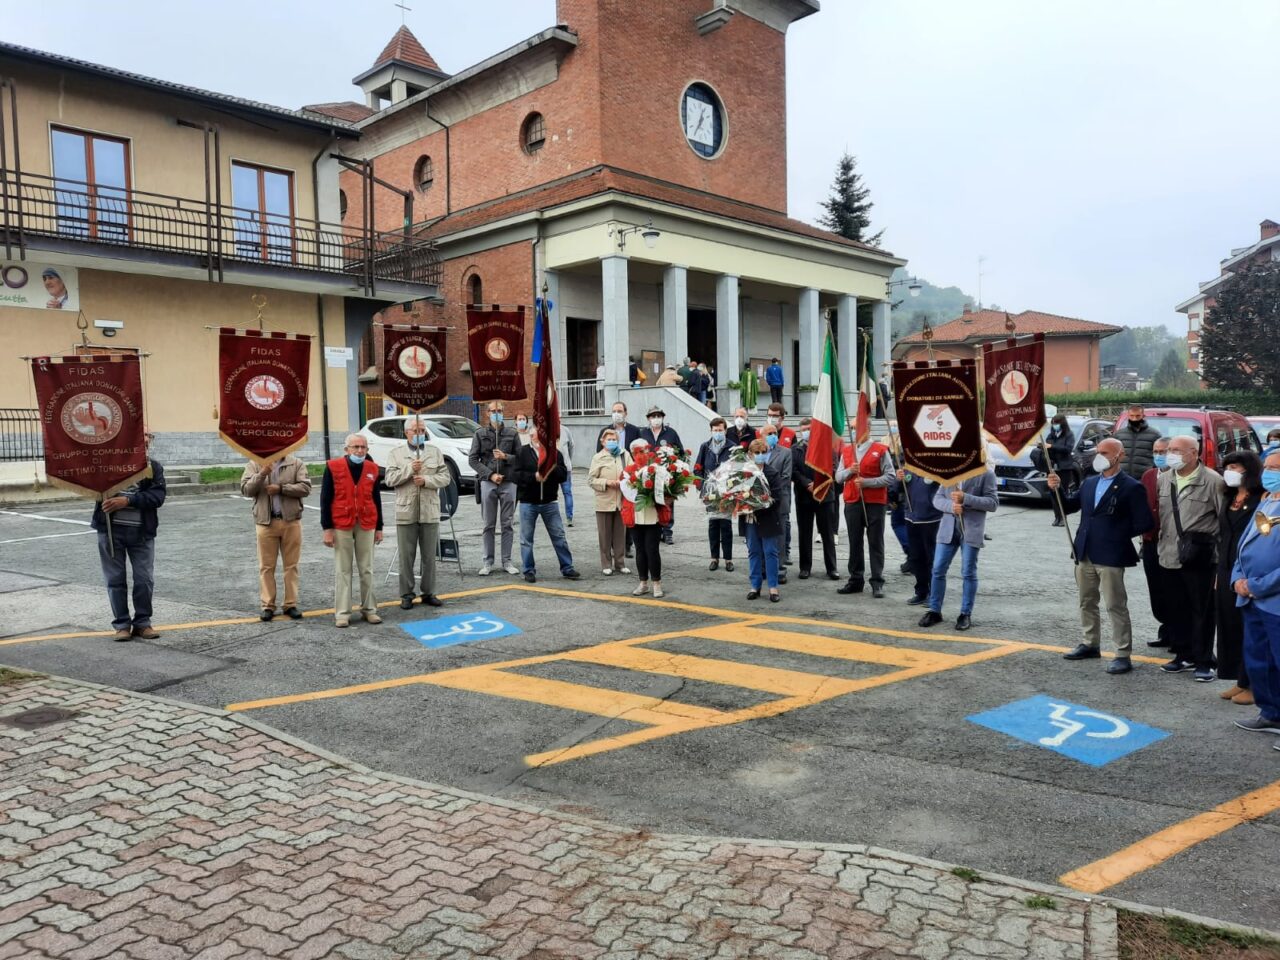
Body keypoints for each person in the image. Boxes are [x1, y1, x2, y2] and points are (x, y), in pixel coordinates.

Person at [1055, 439, 1155, 674]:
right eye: (1097, 452)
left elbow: (1144, 522)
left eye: (1105, 452)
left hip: (1110, 555)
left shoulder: (1131, 486)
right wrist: (1056, 488)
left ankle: (1122, 653)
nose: (1099, 456)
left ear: (1119, 455)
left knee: (1115, 605)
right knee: (1086, 601)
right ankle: (1090, 643)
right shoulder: (1089, 483)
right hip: (1085, 551)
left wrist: (1116, 534)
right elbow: (1067, 507)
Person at [1156, 434, 1227, 680]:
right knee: (1176, 609)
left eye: (1177, 450)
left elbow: (1224, 521)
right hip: (1168, 555)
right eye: (1170, 449)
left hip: (1200, 558)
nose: (1170, 453)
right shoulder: (1165, 478)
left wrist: (1221, 561)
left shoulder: (1213, 481)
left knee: (1203, 611)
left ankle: (1204, 660)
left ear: (1194, 453)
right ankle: (1182, 654)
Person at [93, 431, 166, 641]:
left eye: (148, 439)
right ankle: (122, 625)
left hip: (142, 532)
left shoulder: (154, 468)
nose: (145, 442)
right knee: (115, 580)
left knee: (144, 579)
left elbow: (158, 496)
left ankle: (143, 623)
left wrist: (128, 501)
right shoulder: (106, 464)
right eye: (140, 437)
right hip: (110, 530)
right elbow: (92, 487)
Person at [1229, 450, 1280, 745]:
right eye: (1268, 467)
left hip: (1271, 598)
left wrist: (1257, 585)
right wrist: (1238, 579)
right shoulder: (1268, 500)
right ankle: (1271, 713)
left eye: (1276, 468)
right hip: (1252, 598)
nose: (1269, 473)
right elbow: (1243, 545)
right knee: (1259, 660)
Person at [917, 470, 998, 631]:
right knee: (938, 569)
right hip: (947, 530)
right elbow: (937, 499)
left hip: (971, 530)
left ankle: (965, 613)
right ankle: (935, 610)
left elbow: (992, 503)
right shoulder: (949, 472)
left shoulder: (986, 474)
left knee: (968, 572)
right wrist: (951, 506)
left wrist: (966, 499)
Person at [384, 419, 451, 610]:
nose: (419, 433)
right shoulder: (396, 454)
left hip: (429, 510)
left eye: (422, 430)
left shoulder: (434, 452)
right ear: (406, 433)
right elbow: (389, 479)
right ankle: (406, 594)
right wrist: (408, 469)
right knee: (406, 556)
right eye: (415, 430)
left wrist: (428, 480)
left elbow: (445, 477)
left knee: (429, 556)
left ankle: (428, 592)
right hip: (406, 510)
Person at [1215, 451, 1264, 704]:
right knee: (1229, 625)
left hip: (1248, 569)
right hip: (1225, 568)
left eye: (1235, 466)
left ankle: (1255, 684)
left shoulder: (1261, 499)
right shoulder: (1230, 496)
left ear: (1250, 470)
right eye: (1227, 466)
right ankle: (1239, 679)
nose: (1229, 471)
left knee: (1250, 629)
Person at [321, 434, 384, 628]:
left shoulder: (373, 469)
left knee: (367, 569)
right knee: (343, 570)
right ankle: (342, 613)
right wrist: (327, 528)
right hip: (341, 523)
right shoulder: (333, 467)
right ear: (346, 449)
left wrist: (379, 527)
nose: (359, 451)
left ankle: (370, 609)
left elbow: (376, 498)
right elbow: (325, 498)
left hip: (367, 522)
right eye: (355, 447)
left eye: (363, 447)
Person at [240, 452, 310, 622]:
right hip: (265, 523)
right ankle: (267, 606)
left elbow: (306, 488)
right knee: (266, 566)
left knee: (291, 565)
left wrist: (281, 488)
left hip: (291, 521)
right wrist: (262, 473)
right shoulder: (255, 464)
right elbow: (246, 490)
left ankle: (290, 604)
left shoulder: (296, 463)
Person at [511, 431, 580, 584]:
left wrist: (550, 469)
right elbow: (515, 476)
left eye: (536, 434)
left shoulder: (555, 453)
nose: (533, 437)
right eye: (532, 434)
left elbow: (563, 475)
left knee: (559, 537)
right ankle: (528, 570)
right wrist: (533, 477)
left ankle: (567, 567)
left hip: (550, 502)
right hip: (528, 502)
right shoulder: (522, 452)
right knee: (526, 539)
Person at [835, 432, 893, 598]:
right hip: (853, 501)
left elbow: (890, 476)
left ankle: (877, 581)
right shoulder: (847, 450)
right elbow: (838, 477)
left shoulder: (880, 450)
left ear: (866, 429)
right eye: (852, 428)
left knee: (875, 542)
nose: (854, 431)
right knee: (855, 541)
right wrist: (849, 471)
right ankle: (855, 580)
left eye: (857, 428)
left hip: (875, 502)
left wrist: (868, 482)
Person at [468, 401, 521, 576]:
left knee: (507, 524)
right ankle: (487, 561)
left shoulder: (512, 433)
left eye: (499, 410)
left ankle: (507, 560)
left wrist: (506, 456)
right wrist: (490, 475)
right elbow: (473, 459)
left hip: (508, 481)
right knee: (488, 524)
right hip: (488, 482)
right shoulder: (480, 434)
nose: (496, 413)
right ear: (487, 413)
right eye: (493, 411)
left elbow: (521, 457)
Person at [792, 418, 838, 580]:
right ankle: (805, 567)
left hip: (824, 496)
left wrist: (818, 484)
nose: (807, 431)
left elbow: (832, 468)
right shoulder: (795, 449)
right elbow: (794, 471)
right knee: (804, 534)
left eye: (809, 428)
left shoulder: (827, 447)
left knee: (827, 533)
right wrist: (807, 484)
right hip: (804, 496)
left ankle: (832, 568)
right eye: (804, 429)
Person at [622, 439, 665, 598]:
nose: (641, 454)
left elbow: (665, 490)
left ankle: (656, 583)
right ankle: (643, 582)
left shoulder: (657, 469)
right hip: (635, 515)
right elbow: (628, 493)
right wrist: (645, 491)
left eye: (645, 451)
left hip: (653, 515)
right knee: (640, 550)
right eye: (638, 452)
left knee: (652, 549)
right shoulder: (627, 471)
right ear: (633, 454)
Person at [1140, 437, 1173, 648]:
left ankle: (1178, 634)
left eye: (1163, 451)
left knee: (1173, 590)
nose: (1159, 455)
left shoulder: (1178, 477)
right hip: (1150, 541)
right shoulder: (1149, 476)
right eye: (1156, 451)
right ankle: (1165, 630)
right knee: (1156, 589)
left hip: (1171, 543)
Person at [895, 462, 942, 606]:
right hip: (912, 517)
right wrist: (899, 479)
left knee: (931, 558)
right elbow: (899, 490)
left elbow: (946, 487)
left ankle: (935, 595)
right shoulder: (910, 466)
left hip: (931, 518)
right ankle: (921, 592)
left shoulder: (937, 465)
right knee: (916, 558)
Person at [745, 438, 785, 602]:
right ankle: (755, 586)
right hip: (750, 518)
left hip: (768, 517)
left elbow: (777, 497)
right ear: (750, 454)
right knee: (753, 551)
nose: (760, 456)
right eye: (757, 453)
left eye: (763, 453)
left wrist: (762, 502)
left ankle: (773, 587)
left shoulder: (772, 473)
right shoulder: (744, 473)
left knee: (770, 552)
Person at [695, 417, 737, 571]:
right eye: (715, 430)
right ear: (711, 431)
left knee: (726, 526)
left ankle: (728, 559)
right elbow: (697, 468)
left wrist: (731, 486)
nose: (718, 433)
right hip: (710, 493)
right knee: (713, 525)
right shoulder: (705, 447)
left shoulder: (732, 447)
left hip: (726, 493)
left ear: (725, 430)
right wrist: (701, 486)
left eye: (720, 430)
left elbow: (737, 469)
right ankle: (714, 558)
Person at [587, 428, 630, 576]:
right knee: (604, 535)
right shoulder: (598, 458)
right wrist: (607, 482)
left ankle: (620, 563)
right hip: (604, 501)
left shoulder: (624, 455)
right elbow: (591, 480)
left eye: (614, 439)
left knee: (620, 535)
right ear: (603, 442)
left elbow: (632, 472)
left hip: (622, 501)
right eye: (609, 439)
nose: (611, 442)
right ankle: (606, 563)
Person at [642, 405, 683, 545]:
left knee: (667, 502)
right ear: (648, 419)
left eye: (658, 416)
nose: (656, 419)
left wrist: (676, 468)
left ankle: (667, 531)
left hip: (667, 473)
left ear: (663, 417)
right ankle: (655, 530)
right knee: (652, 502)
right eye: (653, 416)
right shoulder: (643, 433)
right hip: (649, 474)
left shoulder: (671, 433)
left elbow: (680, 452)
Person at [760, 423, 793, 583]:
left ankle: (780, 569)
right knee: (763, 535)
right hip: (759, 502)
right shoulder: (756, 453)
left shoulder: (786, 452)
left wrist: (767, 490)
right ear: (762, 435)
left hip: (779, 500)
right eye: (769, 433)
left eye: (775, 433)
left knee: (779, 536)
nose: (773, 435)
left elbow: (786, 477)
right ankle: (764, 567)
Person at [1046, 414, 1078, 528]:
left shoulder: (1069, 435)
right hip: (1053, 467)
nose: (1055, 425)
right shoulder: (1051, 435)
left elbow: (1068, 449)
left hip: (1065, 468)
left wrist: (1052, 446)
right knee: (1053, 493)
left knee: (1062, 492)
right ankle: (1057, 517)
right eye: (1053, 423)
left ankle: (1063, 518)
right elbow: (1048, 448)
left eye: (1057, 423)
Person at [1115, 404, 1161, 478]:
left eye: (1138, 416)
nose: (1134, 419)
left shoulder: (1155, 434)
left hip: (1144, 478)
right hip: (1122, 477)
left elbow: (1159, 456)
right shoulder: (1119, 434)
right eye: (1132, 416)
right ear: (1128, 416)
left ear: (1143, 416)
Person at [558, 431, 576, 527]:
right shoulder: (565, 430)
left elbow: (571, 446)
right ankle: (569, 518)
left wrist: (568, 460)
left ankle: (569, 517)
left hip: (564, 467)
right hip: (560, 466)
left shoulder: (565, 430)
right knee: (567, 493)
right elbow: (571, 447)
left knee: (566, 492)